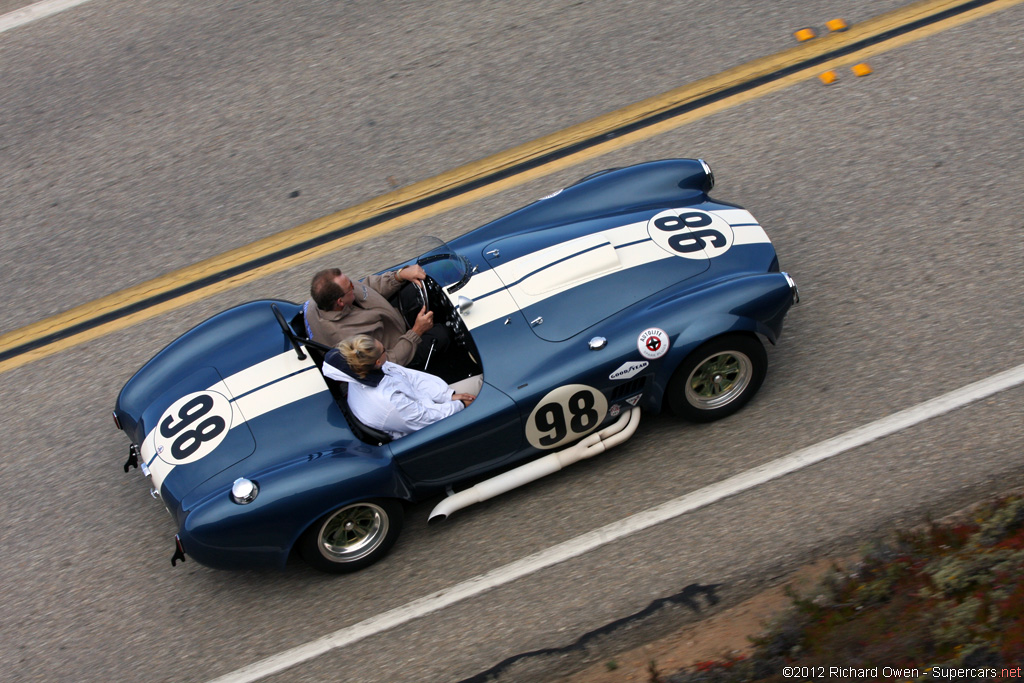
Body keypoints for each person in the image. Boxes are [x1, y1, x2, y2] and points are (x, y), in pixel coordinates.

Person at [323, 335, 481, 440]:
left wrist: (448, 395)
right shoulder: (389, 402)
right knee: (482, 384)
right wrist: (459, 405)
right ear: (377, 361)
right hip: (427, 429)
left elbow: (410, 377)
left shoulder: (364, 370)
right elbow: (426, 419)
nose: (386, 351)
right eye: (384, 350)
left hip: (426, 406)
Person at [304, 264, 449, 369]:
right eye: (350, 288)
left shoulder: (322, 298)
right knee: (442, 333)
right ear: (340, 302)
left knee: (416, 288)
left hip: (391, 322)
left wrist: (398, 276)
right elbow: (387, 363)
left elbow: (366, 288)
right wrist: (416, 332)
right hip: (398, 353)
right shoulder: (349, 341)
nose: (353, 286)